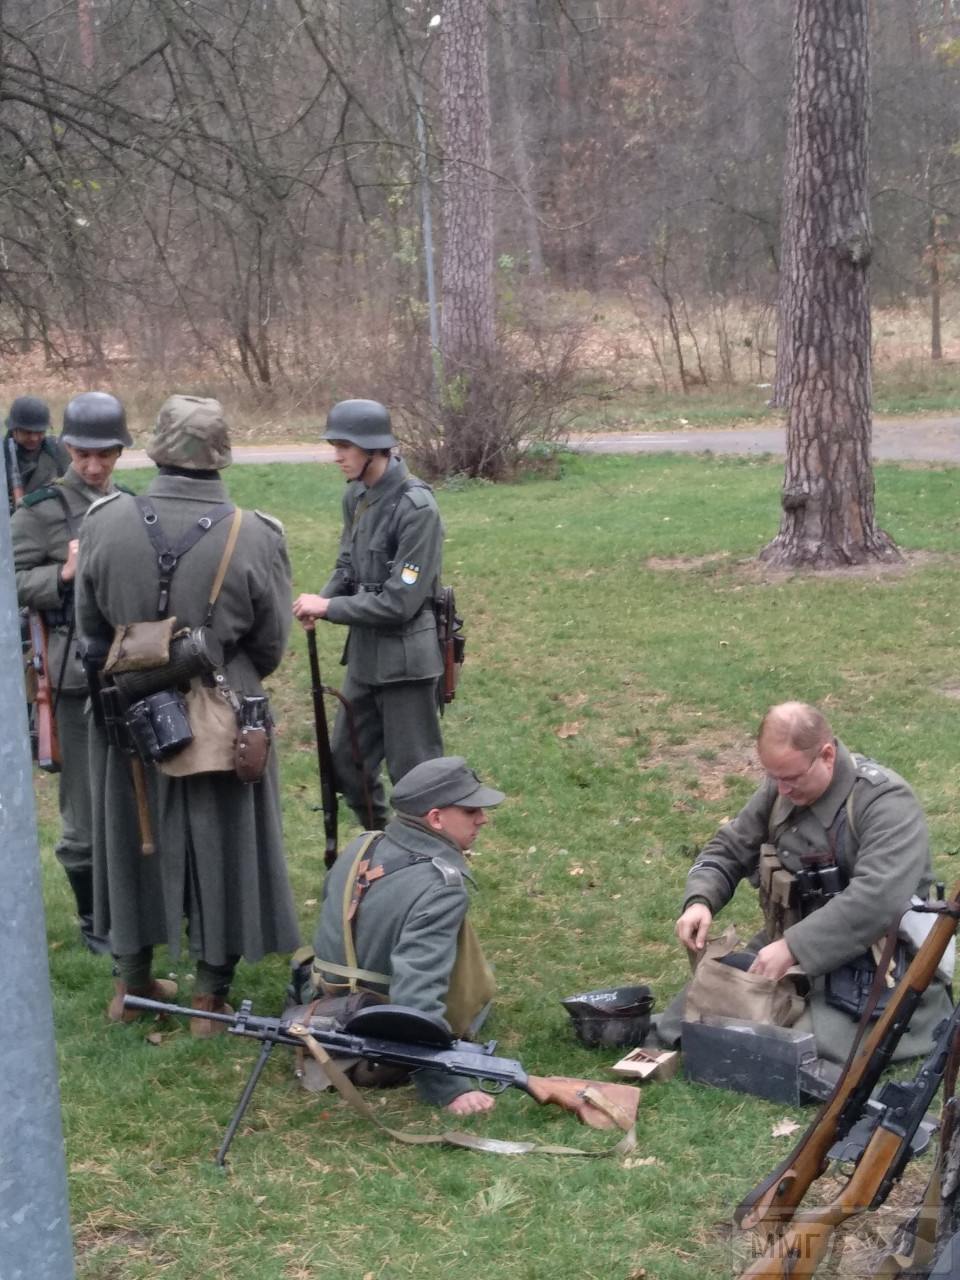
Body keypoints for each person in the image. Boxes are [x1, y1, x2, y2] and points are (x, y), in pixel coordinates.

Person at [76, 394, 300, 1031]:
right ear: (220, 454)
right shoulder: (256, 534)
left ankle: (132, 988)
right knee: (222, 845)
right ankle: (208, 998)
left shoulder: (103, 521)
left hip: (126, 710)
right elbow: (269, 645)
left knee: (126, 840)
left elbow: (91, 634)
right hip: (225, 718)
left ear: (157, 449)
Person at [661, 701, 953, 1063]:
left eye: (792, 778)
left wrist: (794, 947)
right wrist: (700, 900)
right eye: (774, 777)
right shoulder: (781, 789)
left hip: (875, 965)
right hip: (787, 944)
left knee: (791, 1049)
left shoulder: (884, 802)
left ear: (827, 755)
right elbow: (730, 847)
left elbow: (878, 899)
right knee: (692, 1015)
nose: (781, 789)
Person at [303, 755, 502, 1114]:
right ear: (436, 818)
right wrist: (448, 1087)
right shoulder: (441, 888)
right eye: (470, 810)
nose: (483, 818)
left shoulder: (362, 846)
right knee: (475, 999)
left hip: (320, 1013)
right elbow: (416, 996)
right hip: (373, 1042)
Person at [11, 392, 131, 953]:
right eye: (83, 454)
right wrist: (64, 571)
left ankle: (135, 904)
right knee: (83, 810)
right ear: (68, 448)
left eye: (104, 455)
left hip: (132, 672)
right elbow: (14, 582)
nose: (93, 466)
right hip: (71, 674)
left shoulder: (131, 506)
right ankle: (93, 921)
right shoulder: (39, 509)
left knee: (134, 798)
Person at [292, 399, 444, 829]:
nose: (337, 456)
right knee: (346, 764)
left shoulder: (417, 510)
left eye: (345, 446)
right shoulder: (356, 497)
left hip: (406, 666)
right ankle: (382, 839)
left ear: (375, 449)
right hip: (365, 661)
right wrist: (319, 604)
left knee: (417, 780)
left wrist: (331, 608)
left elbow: (400, 602)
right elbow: (347, 565)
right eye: (335, 445)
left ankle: (426, 863)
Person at [4, 396, 70, 511]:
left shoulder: (57, 451)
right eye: (27, 432)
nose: (34, 438)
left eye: (40, 432)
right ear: (14, 429)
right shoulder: (3, 455)